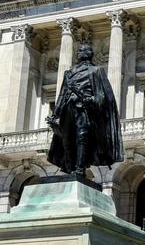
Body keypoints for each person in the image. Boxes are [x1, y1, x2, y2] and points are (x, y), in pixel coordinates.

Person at [46, 43, 123, 176]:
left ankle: (80, 168)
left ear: (87, 54)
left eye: (81, 51)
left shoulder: (96, 71)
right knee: (66, 139)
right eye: (78, 51)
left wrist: (91, 100)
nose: (78, 53)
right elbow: (63, 94)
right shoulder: (69, 73)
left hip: (84, 111)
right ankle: (70, 167)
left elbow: (103, 97)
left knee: (82, 137)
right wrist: (55, 114)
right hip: (68, 110)